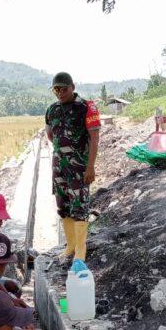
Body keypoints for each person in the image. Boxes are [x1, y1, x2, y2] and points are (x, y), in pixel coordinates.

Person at [45, 72, 101, 262]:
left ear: (73, 87)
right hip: (59, 165)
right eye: (56, 89)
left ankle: (80, 250)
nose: (60, 93)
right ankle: (70, 246)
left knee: (79, 205)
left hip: (79, 167)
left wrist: (90, 166)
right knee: (62, 204)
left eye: (64, 89)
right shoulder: (52, 109)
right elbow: (51, 135)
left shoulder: (86, 107)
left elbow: (94, 138)